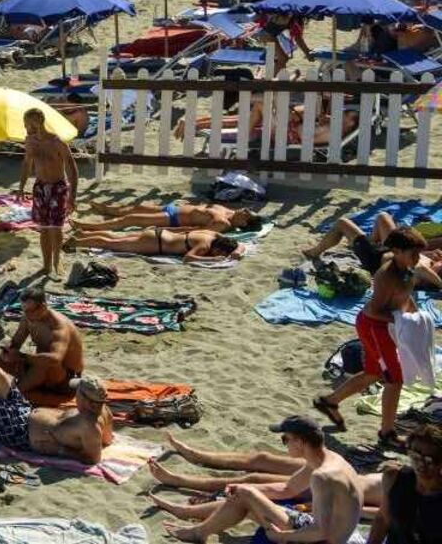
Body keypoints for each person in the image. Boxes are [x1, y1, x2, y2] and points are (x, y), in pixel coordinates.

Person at [155, 416, 365, 543]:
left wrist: (283, 537)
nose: (285, 444)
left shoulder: (322, 476)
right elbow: (286, 489)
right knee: (245, 495)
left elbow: (322, 531)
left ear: (300, 442)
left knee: (247, 495)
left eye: (286, 439)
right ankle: (197, 529)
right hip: (341, 533)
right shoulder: (328, 459)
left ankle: (197, 532)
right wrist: (242, 487)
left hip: (330, 540)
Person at [316, 228, 439, 447]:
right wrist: (400, 321)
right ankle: (387, 433)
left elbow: (406, 299)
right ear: (397, 251)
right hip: (373, 327)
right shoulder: (386, 275)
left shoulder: (408, 270)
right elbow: (374, 310)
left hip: (387, 327)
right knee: (395, 378)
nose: (417, 258)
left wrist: (416, 318)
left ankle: (329, 401)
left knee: (374, 372)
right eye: (413, 253)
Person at [16, 107, 76, 279]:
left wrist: (72, 195)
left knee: (55, 228)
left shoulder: (57, 142)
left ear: (37, 123)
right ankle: (46, 264)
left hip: (58, 187)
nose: (26, 128)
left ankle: (57, 261)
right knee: (43, 228)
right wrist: (21, 187)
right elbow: (27, 164)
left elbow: (72, 168)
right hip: (41, 187)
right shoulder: (30, 141)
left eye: (27, 124)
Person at [0, 287, 85, 394]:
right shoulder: (28, 318)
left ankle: (13, 394)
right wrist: (8, 350)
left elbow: (55, 359)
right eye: (24, 310)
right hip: (41, 371)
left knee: (44, 364)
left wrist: (22, 356)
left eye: (30, 311)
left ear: (43, 307)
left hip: (67, 379)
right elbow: (17, 341)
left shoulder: (58, 327)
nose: (27, 314)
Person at [371, 422, 442, 543]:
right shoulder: (393, 478)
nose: (421, 464)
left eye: (429, 460)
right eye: (415, 456)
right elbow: (382, 519)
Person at [73, 202, 262, 234]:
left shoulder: (223, 223)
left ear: (244, 222)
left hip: (173, 219)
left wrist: (167, 230)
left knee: (132, 219)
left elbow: (196, 231)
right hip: (175, 208)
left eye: (247, 213)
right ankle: (108, 209)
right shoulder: (227, 210)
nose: (245, 209)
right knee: (137, 208)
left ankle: (89, 226)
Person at [66, 228, 245, 261]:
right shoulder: (205, 246)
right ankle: (78, 242)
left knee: (118, 238)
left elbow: (241, 244)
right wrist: (212, 261)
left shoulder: (212, 235)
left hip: (159, 234)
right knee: (113, 244)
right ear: (219, 249)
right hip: (155, 243)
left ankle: (85, 234)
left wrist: (238, 249)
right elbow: (188, 258)